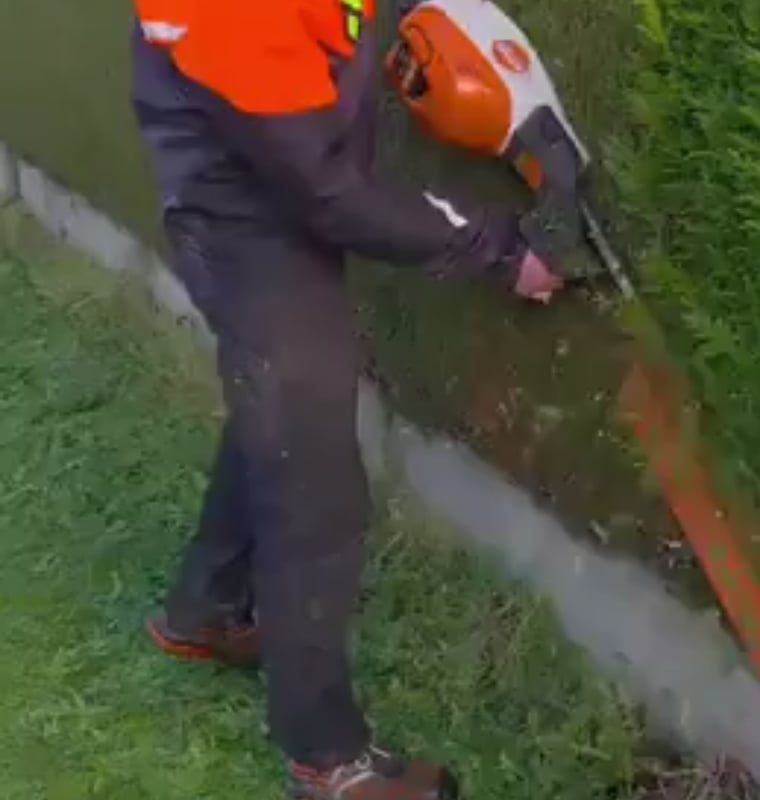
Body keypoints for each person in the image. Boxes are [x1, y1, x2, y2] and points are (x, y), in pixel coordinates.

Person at [129, 0, 563, 797]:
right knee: (315, 492)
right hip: (244, 232)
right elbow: (326, 186)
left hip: (265, 189)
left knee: (284, 419)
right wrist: (494, 247)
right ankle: (326, 760)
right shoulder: (232, 16)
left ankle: (206, 611)